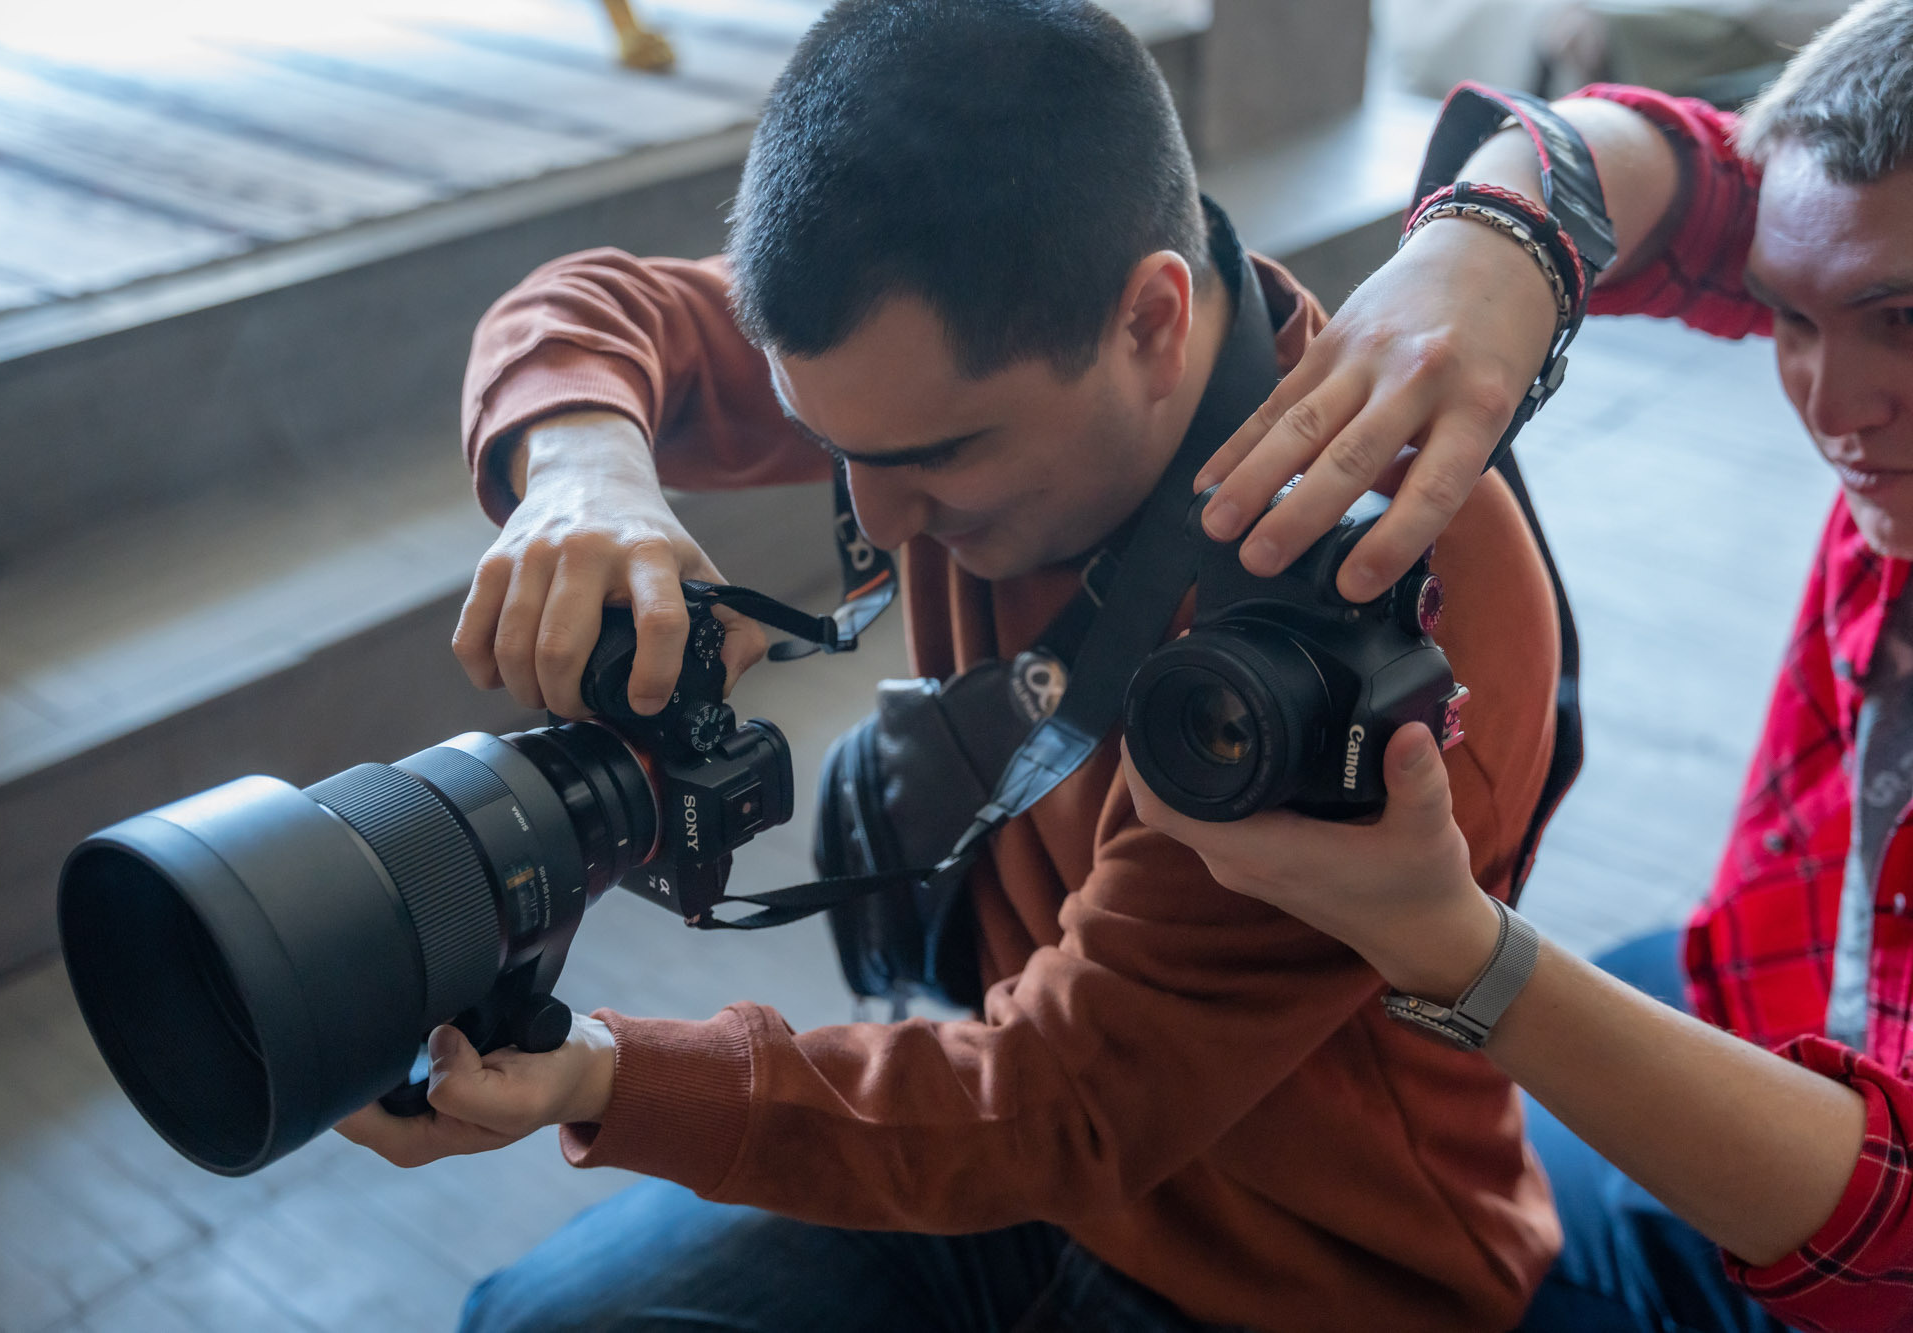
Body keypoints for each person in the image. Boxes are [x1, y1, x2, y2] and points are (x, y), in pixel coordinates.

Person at [333, 2, 1571, 1329]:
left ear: (1151, 322)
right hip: (1017, 1152)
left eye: (936, 461)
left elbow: (1059, 1104)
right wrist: (582, 470)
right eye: (828, 437)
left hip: (1301, 1275)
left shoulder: (1378, 626)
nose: (873, 516)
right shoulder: (950, 349)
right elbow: (589, 308)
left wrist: (598, 1071)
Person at [1147, 2, 1913, 1330]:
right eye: (1792, 317)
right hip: (1768, 968)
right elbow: (1705, 180)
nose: (1833, 407)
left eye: (1902, 322)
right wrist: (1494, 236)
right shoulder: (1855, 244)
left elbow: (1894, 1249)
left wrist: (1458, 954)